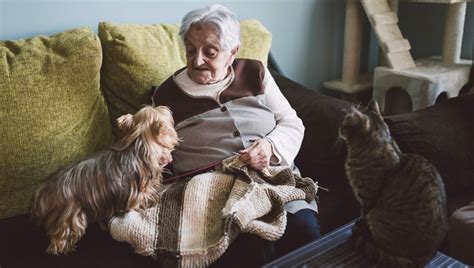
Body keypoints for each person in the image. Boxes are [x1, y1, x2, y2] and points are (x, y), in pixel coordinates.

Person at [151, 4, 320, 267]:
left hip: (274, 180)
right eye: (190, 50)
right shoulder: (166, 96)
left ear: (232, 52)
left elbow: (292, 123)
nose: (197, 61)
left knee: (305, 233)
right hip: (213, 195)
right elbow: (158, 155)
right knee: (248, 244)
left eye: (210, 52)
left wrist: (270, 146)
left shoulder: (256, 73)